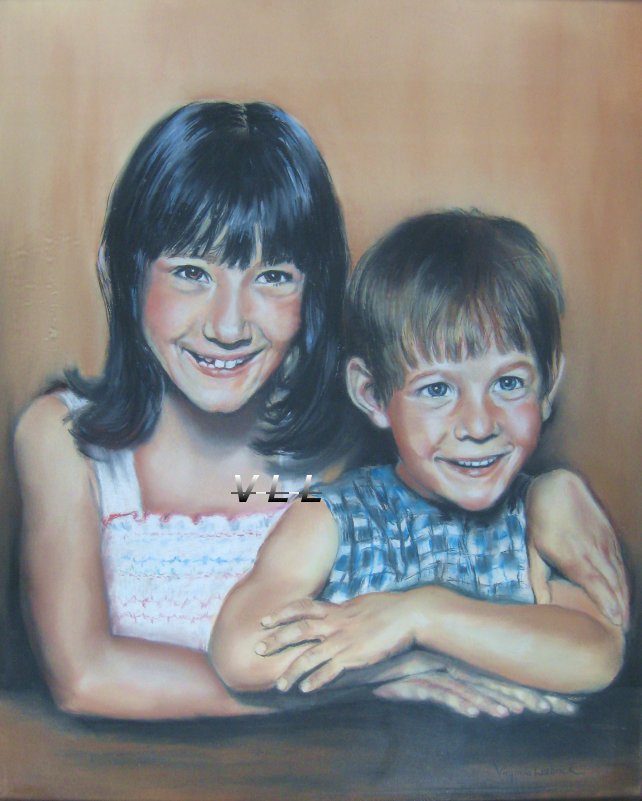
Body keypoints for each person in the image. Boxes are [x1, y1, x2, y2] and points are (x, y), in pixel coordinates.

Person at [14, 104, 625, 721]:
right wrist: (378, 671)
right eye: (192, 273)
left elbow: (456, 465)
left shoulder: (349, 437)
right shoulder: (64, 437)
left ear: (316, 289)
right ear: (119, 273)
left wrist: (550, 494)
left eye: (274, 277)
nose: (228, 326)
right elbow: (86, 679)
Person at [210, 210, 628, 705]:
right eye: (437, 390)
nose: (478, 425)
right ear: (371, 395)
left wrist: (419, 616)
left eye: (509, 383)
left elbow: (597, 656)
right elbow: (239, 652)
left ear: (548, 384)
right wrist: (399, 662)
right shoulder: (332, 514)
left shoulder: (537, 521)